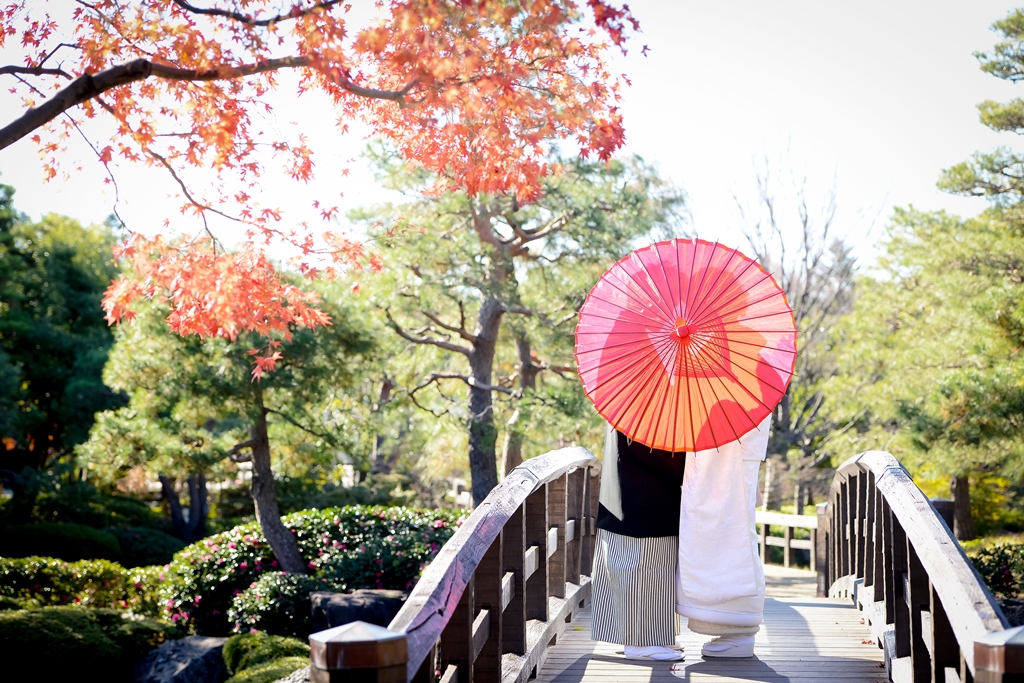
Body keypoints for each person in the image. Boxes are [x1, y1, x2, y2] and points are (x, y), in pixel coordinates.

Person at [675, 415, 772, 658]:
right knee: (728, 527)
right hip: (727, 437)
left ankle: (740, 630)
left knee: (732, 528)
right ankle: (736, 630)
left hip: (734, 439)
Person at [592, 425, 687, 661]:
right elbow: (654, 450)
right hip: (645, 495)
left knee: (644, 568)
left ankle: (651, 636)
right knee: (645, 568)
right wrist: (687, 458)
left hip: (625, 490)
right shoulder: (646, 405)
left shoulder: (626, 401)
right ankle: (639, 642)